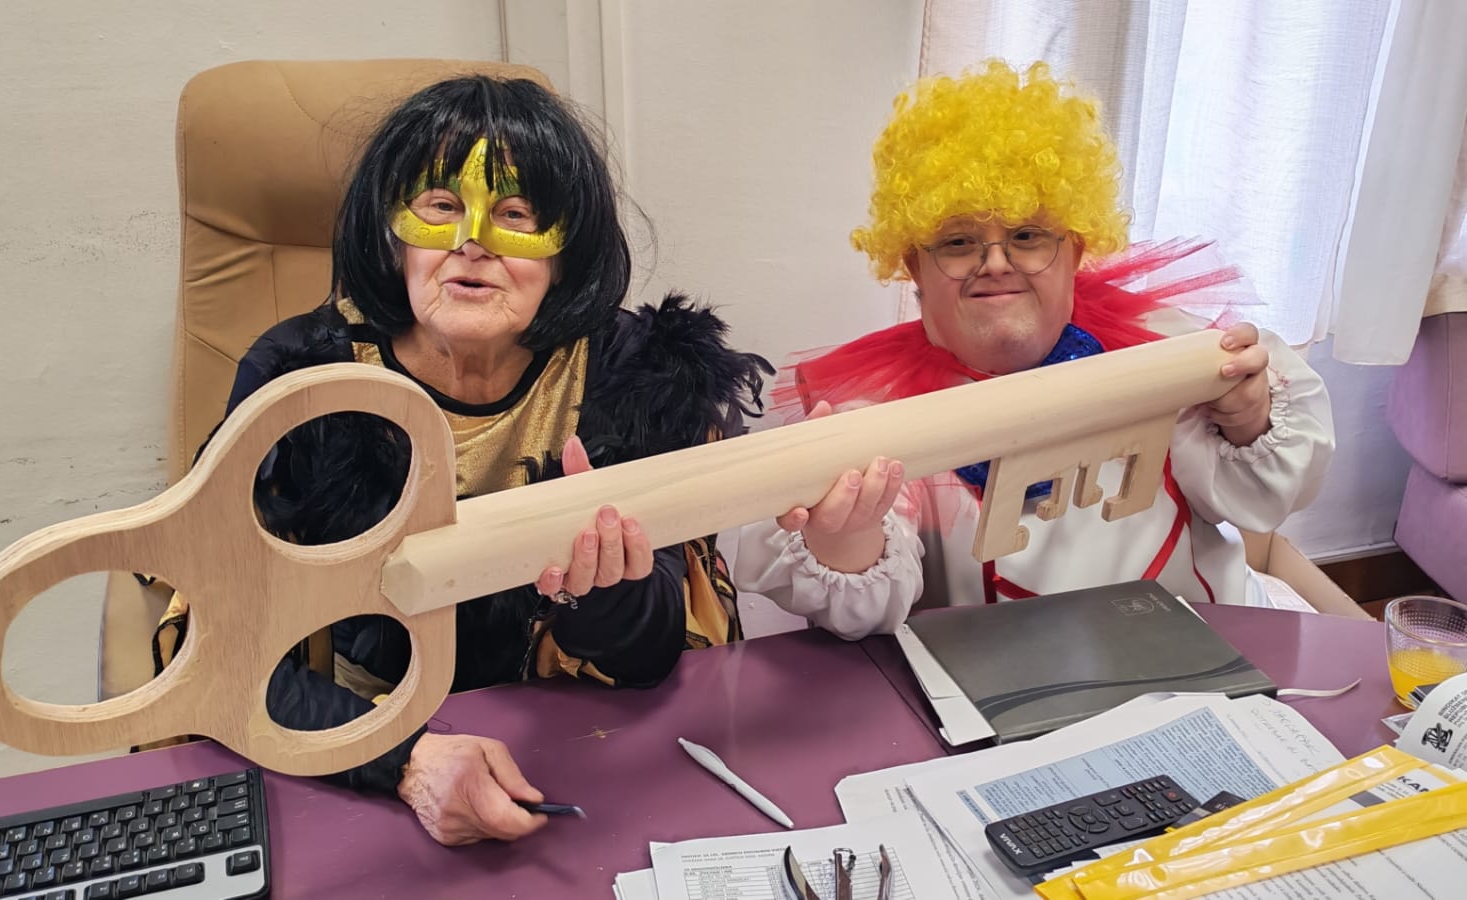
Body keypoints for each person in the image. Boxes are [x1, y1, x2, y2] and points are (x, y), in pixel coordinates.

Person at [150, 75, 771, 846]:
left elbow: (650, 657)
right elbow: (221, 647)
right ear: (393, 236)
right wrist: (404, 764)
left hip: (584, 745)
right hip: (357, 744)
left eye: (515, 215)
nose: (473, 242)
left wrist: (608, 591)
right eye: (441, 206)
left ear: (564, 253)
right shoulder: (300, 380)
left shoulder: (633, 375)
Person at [734, 59, 1334, 638]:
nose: (996, 263)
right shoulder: (876, 414)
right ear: (914, 266)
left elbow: (1268, 499)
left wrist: (1248, 422)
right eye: (959, 241)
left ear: (1075, 252)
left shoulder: (1168, 349)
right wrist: (846, 539)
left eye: (1026, 235)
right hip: (1001, 689)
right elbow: (862, 613)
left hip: (1205, 653)